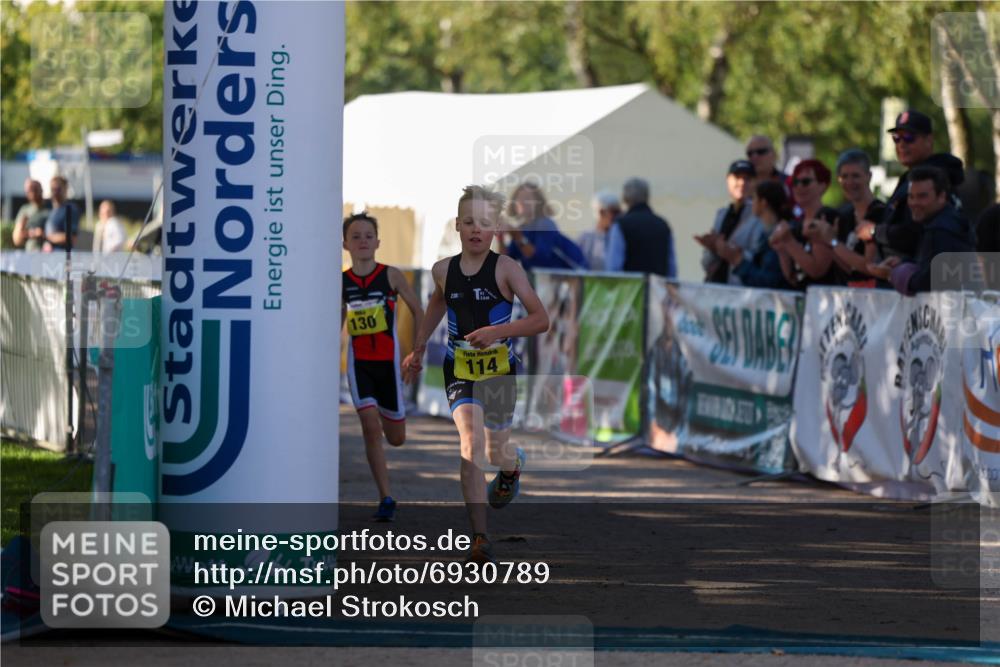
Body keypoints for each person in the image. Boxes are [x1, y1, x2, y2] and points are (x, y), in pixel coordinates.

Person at [405, 186, 549, 563]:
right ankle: (480, 537)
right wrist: (419, 347)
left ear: (496, 228)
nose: (475, 229)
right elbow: (439, 300)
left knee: (495, 449)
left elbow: (541, 319)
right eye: (469, 221)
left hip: (500, 370)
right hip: (459, 368)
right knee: (469, 444)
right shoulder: (443, 270)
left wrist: (496, 332)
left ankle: (511, 465)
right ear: (457, 224)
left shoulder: (506, 269)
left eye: (484, 223)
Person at [342, 212, 425, 522]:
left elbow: (418, 310)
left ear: (378, 242)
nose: (362, 240)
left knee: (396, 438)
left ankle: (388, 417)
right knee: (370, 426)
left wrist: (417, 351)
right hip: (359, 364)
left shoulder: (391, 275)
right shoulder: (342, 282)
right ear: (345, 244)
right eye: (355, 236)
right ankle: (386, 497)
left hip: (388, 366)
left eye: (368, 235)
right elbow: (336, 323)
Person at [856, 110, 965, 260]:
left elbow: (915, 233)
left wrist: (875, 231)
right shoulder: (908, 178)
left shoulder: (937, 177)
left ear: (929, 140)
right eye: (896, 138)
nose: (901, 144)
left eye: (909, 137)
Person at [886, 166, 976, 295]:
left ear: (941, 197)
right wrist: (904, 263)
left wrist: (895, 275)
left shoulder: (942, 230)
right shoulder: (943, 223)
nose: (914, 203)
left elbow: (931, 281)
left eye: (922, 196)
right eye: (911, 196)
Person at [816, 150, 888, 287]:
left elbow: (869, 266)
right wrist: (826, 241)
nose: (850, 182)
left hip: (877, 298)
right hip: (849, 298)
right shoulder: (845, 215)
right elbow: (848, 267)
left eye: (855, 176)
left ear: (869, 176)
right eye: (844, 176)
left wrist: (832, 241)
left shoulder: (879, 212)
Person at [770, 159, 841, 288]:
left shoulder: (825, 216)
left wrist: (789, 241)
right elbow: (794, 277)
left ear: (823, 185)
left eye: (806, 182)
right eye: (795, 182)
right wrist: (782, 251)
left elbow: (817, 271)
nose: (799, 187)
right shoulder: (798, 223)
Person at [711, 180, 792, 289]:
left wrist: (738, 260)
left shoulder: (779, 235)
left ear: (763, 202)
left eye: (754, 198)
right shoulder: (766, 234)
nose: (751, 203)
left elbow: (768, 282)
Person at [695, 159, 764, 284]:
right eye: (737, 177)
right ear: (728, 180)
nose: (742, 183)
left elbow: (759, 257)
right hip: (716, 286)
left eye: (748, 179)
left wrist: (731, 253)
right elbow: (705, 263)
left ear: (756, 182)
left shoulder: (759, 215)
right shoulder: (722, 214)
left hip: (742, 291)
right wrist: (712, 248)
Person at [501, 182, 587, 271]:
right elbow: (505, 262)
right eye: (519, 198)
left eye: (527, 198)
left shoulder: (546, 224)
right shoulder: (521, 229)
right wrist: (500, 237)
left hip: (573, 273)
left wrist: (518, 237)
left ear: (538, 203)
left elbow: (540, 259)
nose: (522, 202)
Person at [605, 177, 676, 277]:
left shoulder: (621, 225)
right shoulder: (663, 225)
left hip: (630, 291)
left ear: (625, 198)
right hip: (658, 290)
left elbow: (613, 269)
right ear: (647, 197)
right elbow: (671, 269)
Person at [577, 191, 620, 271]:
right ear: (601, 212)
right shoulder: (586, 238)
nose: (619, 215)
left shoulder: (621, 236)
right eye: (614, 212)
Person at [43, 176, 79, 252]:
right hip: (50, 257)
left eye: (58, 189)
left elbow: (71, 238)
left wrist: (47, 237)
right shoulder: (51, 210)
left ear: (65, 189)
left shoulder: (70, 209)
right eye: (53, 189)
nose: (55, 192)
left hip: (63, 256)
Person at [11, 179, 48, 251]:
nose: (32, 193)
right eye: (29, 191)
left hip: (51, 252)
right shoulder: (25, 210)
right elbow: (17, 239)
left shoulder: (50, 208)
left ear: (41, 190)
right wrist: (32, 233)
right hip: (31, 253)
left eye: (34, 189)